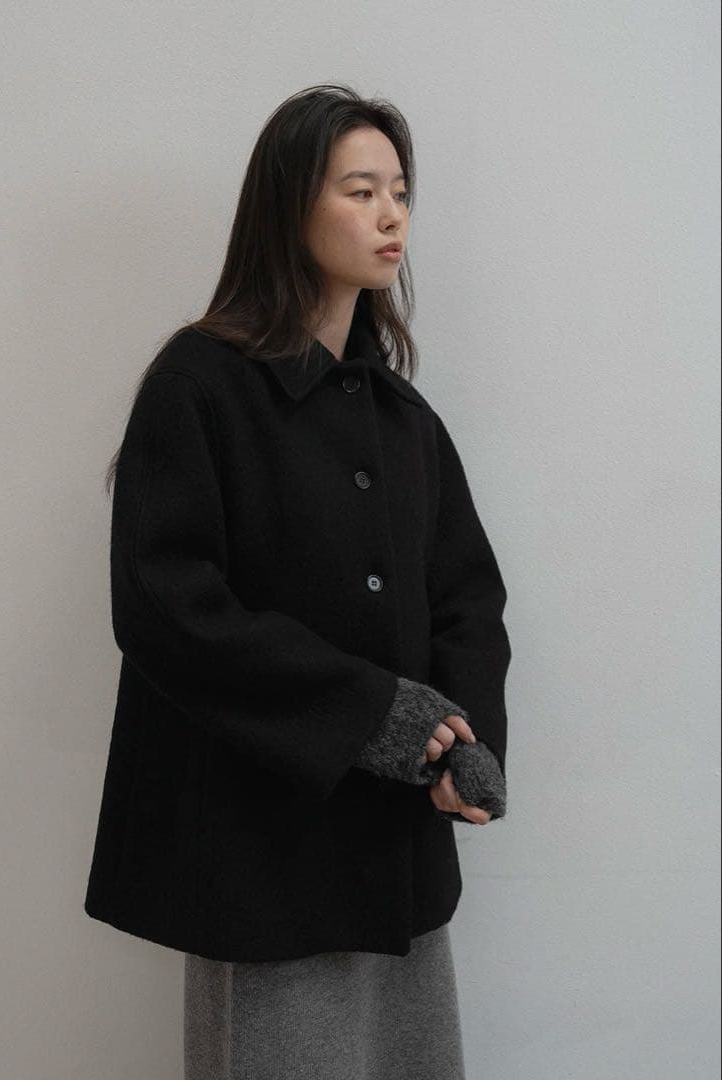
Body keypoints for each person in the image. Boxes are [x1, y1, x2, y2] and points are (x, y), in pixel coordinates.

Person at [84, 83, 511, 1080]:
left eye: (399, 191)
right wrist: (371, 714)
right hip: (257, 850)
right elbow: (165, 604)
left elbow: (468, 596)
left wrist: (466, 740)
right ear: (289, 207)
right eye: (360, 191)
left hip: (393, 851)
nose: (391, 214)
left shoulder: (404, 417)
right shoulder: (199, 384)